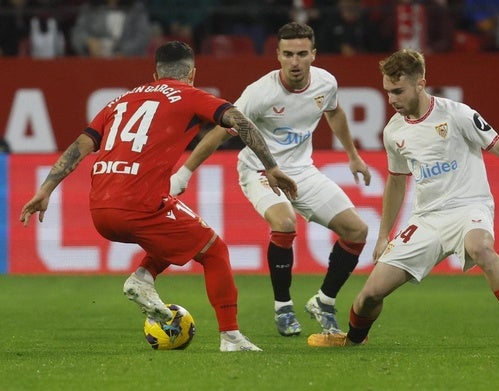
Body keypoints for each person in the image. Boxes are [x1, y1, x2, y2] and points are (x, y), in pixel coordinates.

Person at [20, 41, 298, 352]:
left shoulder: (118, 101)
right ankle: (231, 337)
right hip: (139, 204)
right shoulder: (190, 95)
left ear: (154, 74)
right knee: (214, 250)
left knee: (177, 235)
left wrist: (46, 190)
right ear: (192, 73)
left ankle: (143, 275)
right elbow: (241, 122)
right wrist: (271, 167)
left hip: (100, 209)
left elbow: (79, 147)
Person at [308, 48, 499, 348]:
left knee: (480, 247)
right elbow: (396, 181)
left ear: (420, 83)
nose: (392, 99)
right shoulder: (394, 131)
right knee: (370, 295)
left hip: (469, 206)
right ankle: (353, 340)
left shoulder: (458, 114)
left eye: (398, 91)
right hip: (426, 219)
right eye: (388, 91)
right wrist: (383, 235)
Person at [169, 22, 371, 337]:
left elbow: (335, 112)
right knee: (285, 222)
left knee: (357, 231)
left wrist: (352, 155)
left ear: (313, 55)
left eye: (302, 54)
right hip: (259, 170)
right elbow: (221, 131)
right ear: (277, 55)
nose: (295, 61)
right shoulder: (259, 93)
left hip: (302, 170)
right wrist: (185, 171)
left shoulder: (326, 83)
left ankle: (324, 300)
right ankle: (283, 307)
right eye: (288, 54)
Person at [70, 0, 151, 57]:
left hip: (129, 63)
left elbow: (142, 36)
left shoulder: (137, 8)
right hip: (95, 63)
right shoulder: (90, 8)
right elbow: (78, 33)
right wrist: (88, 41)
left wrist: (123, 53)